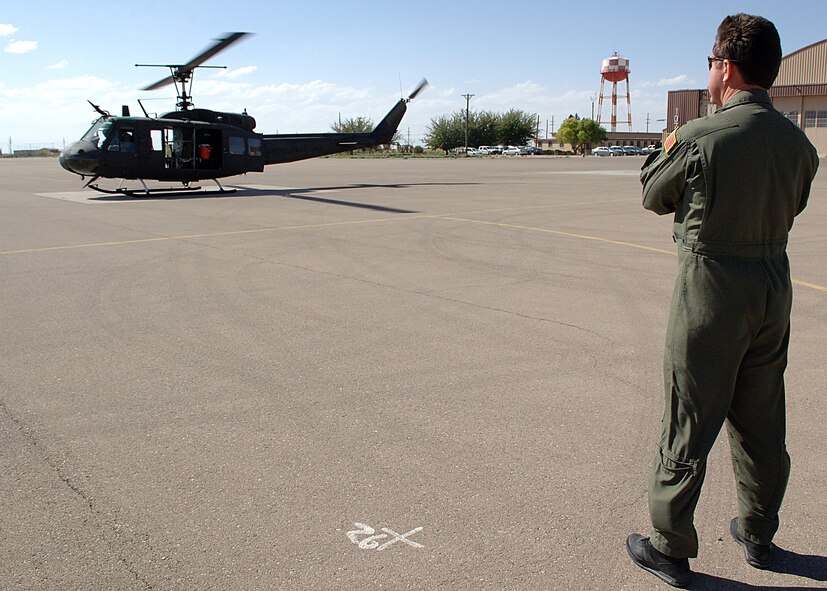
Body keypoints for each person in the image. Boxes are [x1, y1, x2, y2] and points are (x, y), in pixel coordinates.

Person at [626, 13, 819, 588]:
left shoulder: (699, 137)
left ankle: (670, 543)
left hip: (712, 290)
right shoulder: (798, 145)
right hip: (772, 287)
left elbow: (652, 196)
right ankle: (759, 531)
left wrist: (675, 147)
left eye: (712, 62)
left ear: (726, 68)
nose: (709, 71)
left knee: (691, 413)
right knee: (761, 414)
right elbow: (795, 204)